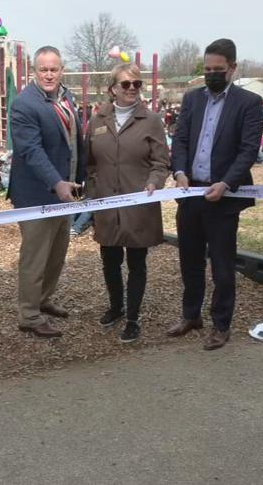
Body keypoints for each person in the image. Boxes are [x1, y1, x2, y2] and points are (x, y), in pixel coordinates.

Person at [165, 38, 263, 351]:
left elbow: (248, 150)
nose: (211, 74)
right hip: (191, 192)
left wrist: (227, 184)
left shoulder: (248, 103)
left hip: (223, 198)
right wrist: (179, 171)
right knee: (189, 261)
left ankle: (221, 324)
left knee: (222, 266)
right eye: (207, 69)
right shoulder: (192, 99)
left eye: (218, 69)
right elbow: (179, 140)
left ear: (232, 68)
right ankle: (190, 315)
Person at [85, 63, 170, 343]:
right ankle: (116, 306)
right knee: (109, 259)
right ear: (112, 89)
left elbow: (161, 163)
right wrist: (93, 192)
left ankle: (133, 317)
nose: (132, 88)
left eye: (136, 84)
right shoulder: (98, 120)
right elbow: (90, 163)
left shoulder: (152, 120)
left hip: (138, 204)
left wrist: (154, 183)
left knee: (136, 262)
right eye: (126, 84)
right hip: (107, 204)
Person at [8, 45, 85, 338]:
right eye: (44, 69)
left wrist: (77, 178)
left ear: (62, 70)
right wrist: (57, 183)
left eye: (54, 69)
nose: (49, 74)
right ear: (34, 71)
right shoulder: (24, 104)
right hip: (37, 194)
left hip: (65, 193)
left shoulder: (66, 98)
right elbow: (31, 150)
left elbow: (73, 142)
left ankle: (43, 300)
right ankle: (29, 314)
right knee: (35, 256)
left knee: (56, 253)